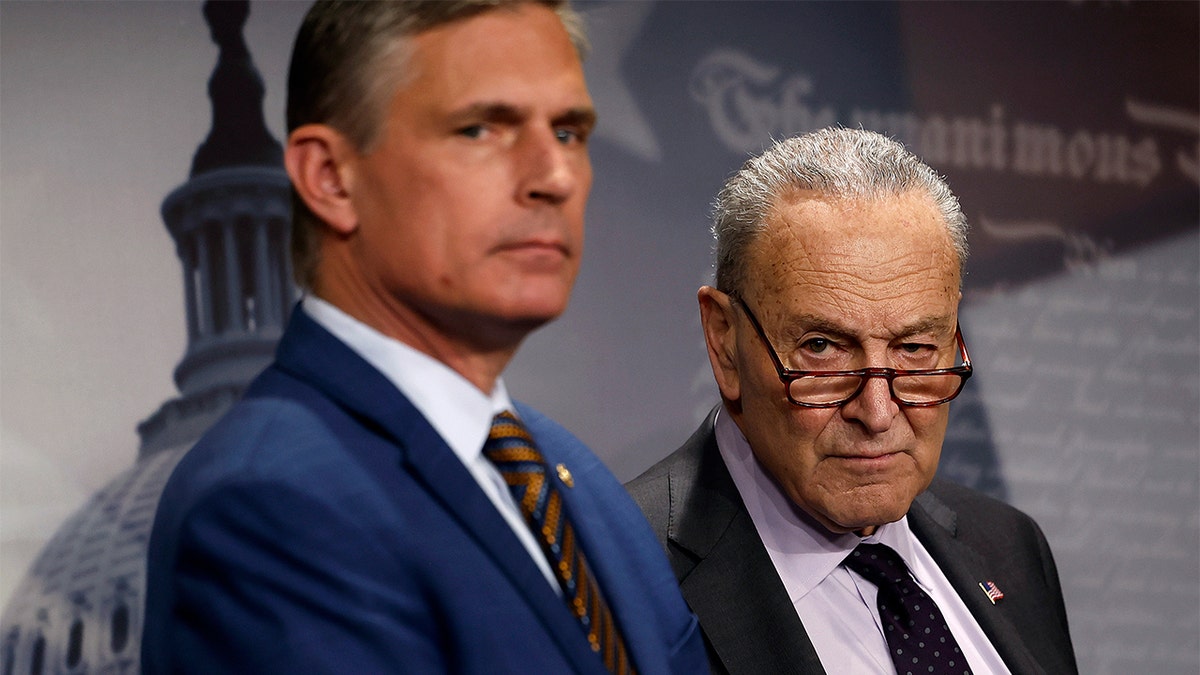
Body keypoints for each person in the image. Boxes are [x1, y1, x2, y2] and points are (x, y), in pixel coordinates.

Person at [142, 2, 705, 673]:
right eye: (479, 129)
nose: (554, 176)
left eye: (568, 131)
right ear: (330, 178)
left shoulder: (581, 478)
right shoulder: (269, 505)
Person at [627, 128, 1077, 675]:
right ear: (724, 341)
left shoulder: (1010, 546)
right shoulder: (616, 574)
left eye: (915, 348)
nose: (878, 412)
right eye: (822, 348)